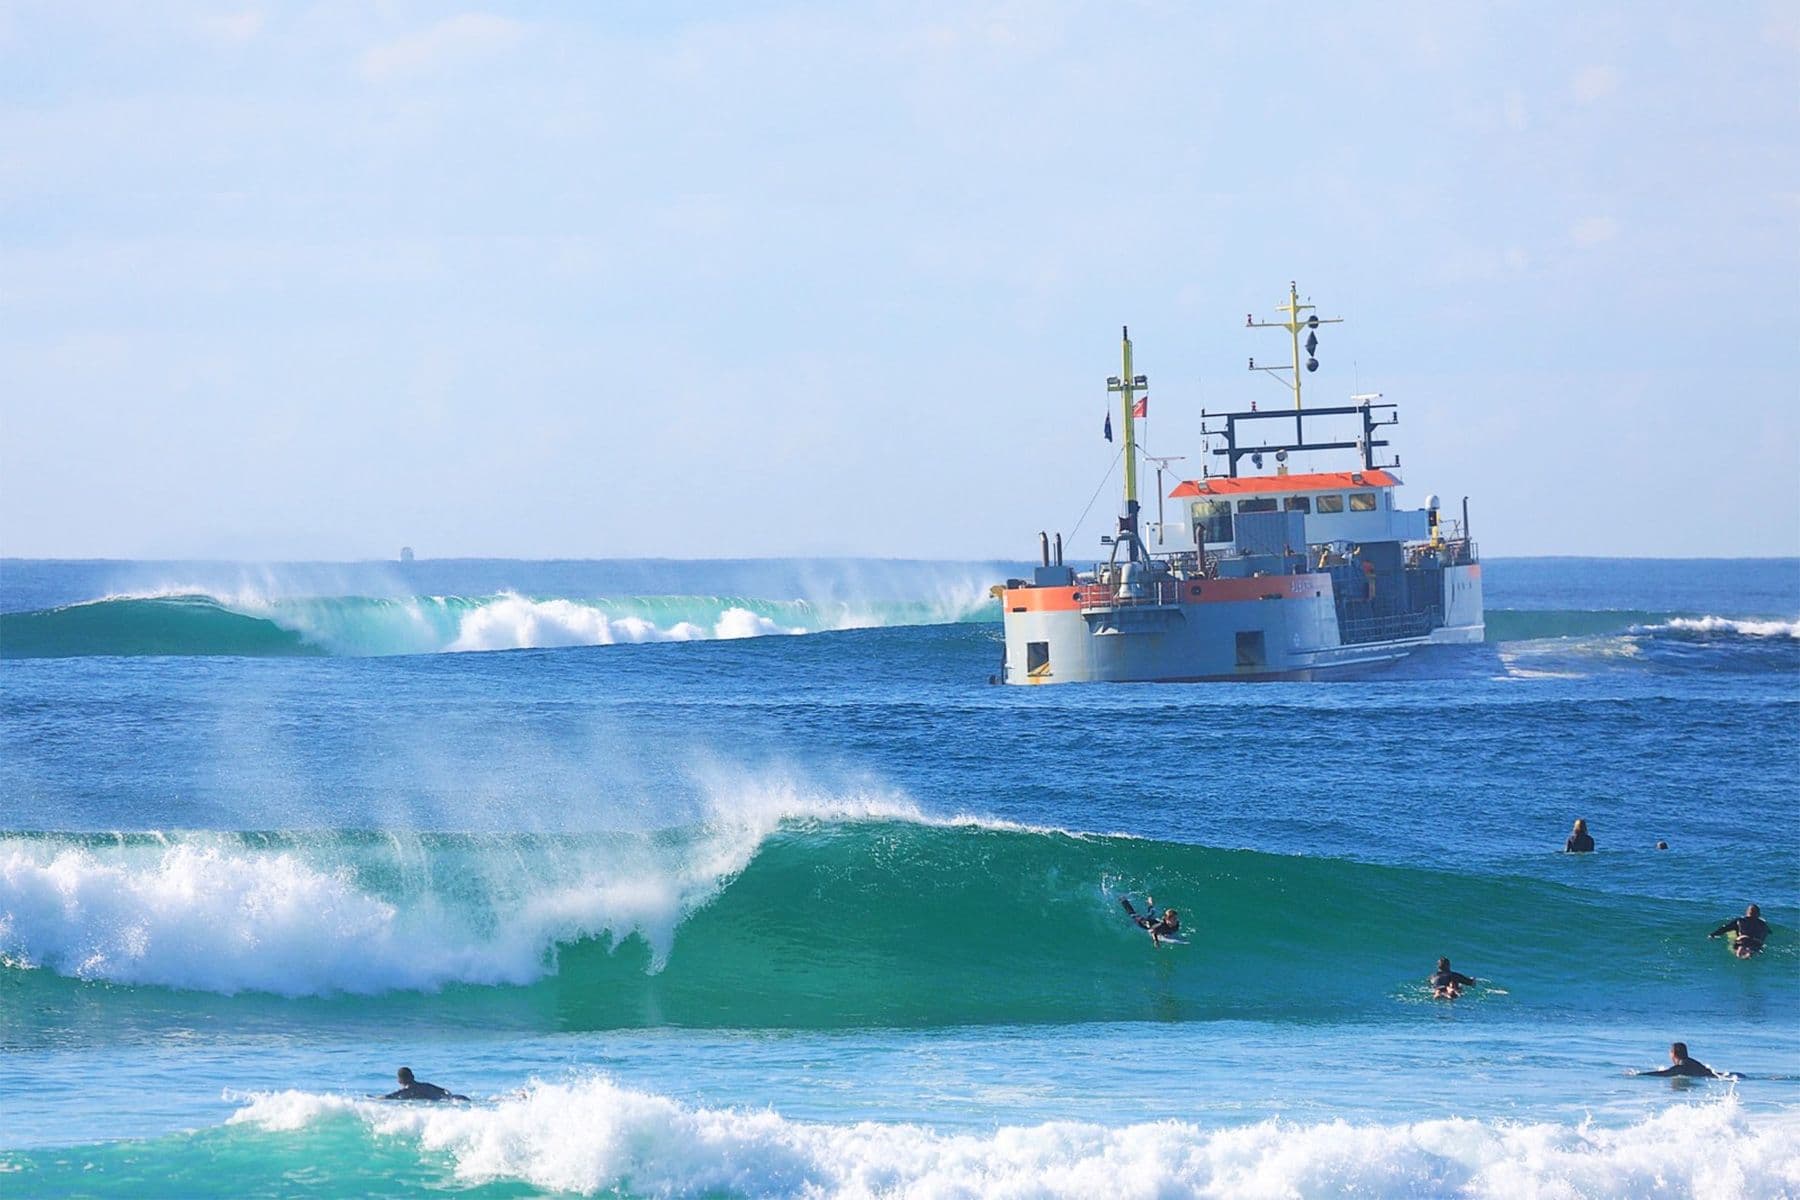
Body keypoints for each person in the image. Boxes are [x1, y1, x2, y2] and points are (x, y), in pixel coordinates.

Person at [381, 1067, 468, 1102]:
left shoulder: (404, 1092)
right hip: (451, 1098)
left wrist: (372, 1098)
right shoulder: (426, 1085)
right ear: (413, 1076)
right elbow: (444, 1090)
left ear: (399, 1081)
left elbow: (387, 1097)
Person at [1640, 1042, 1724, 1078]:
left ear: (1673, 1053)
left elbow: (1665, 1073)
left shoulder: (1682, 1066)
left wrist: (1640, 1075)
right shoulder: (1692, 1062)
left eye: (1670, 1052)